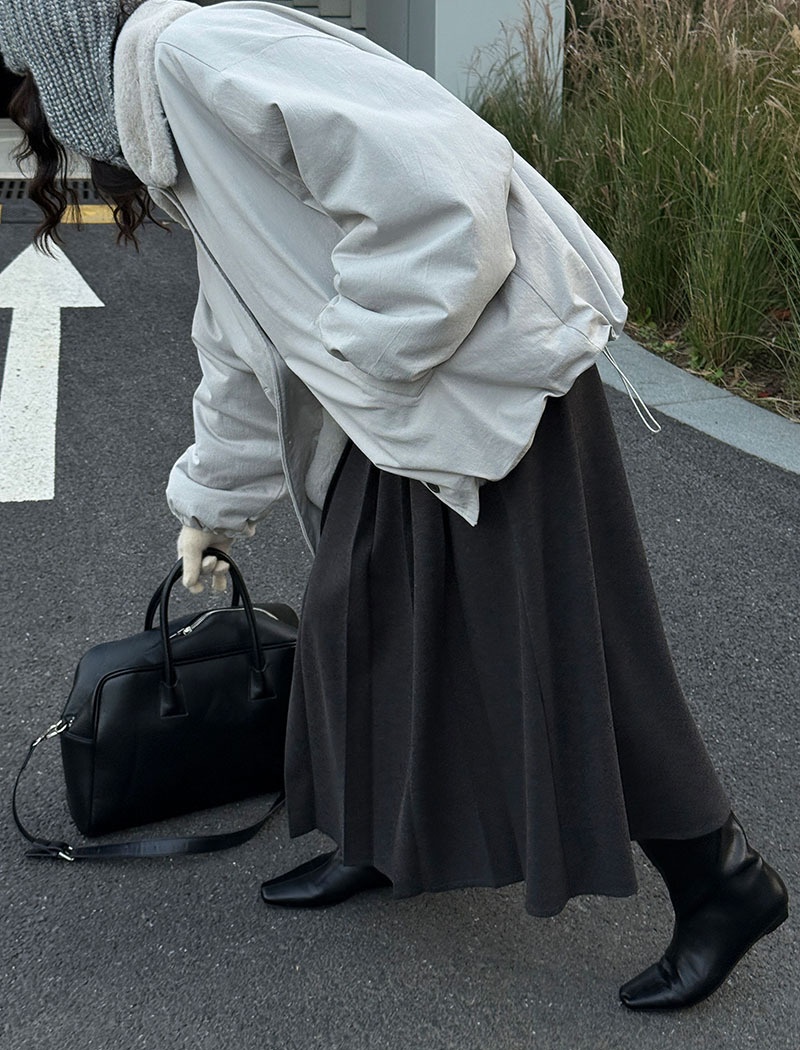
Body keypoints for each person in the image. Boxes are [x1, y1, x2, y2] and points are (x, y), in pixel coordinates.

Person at [0, 0, 788, 1011]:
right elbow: (241, 333)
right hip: (402, 404)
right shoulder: (171, 123)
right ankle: (377, 841)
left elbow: (443, 183)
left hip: (483, 385)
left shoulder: (201, 56)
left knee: (564, 645)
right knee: (356, 628)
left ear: (64, 53)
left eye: (24, 82)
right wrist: (211, 504)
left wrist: (363, 356)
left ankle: (722, 881)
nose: (31, 113)